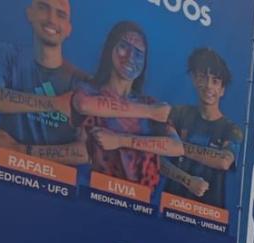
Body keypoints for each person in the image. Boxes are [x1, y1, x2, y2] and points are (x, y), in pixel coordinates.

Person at [0, 0, 88, 165]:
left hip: (57, 185)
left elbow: (86, 152)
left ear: (69, 29)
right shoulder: (8, 55)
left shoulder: (81, 81)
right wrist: (54, 103)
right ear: (29, 13)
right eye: (43, 8)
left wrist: (20, 150)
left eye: (60, 14)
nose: (52, 20)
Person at [74, 21, 182, 186]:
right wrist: (149, 112)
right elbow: (83, 105)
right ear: (111, 48)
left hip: (140, 203)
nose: (131, 57)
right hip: (93, 195)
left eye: (139, 53)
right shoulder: (89, 90)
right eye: (124, 47)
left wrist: (120, 140)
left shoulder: (151, 103)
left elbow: (176, 147)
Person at [162, 47, 241, 207]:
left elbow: (224, 161)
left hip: (210, 219)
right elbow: (157, 158)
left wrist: (176, 146)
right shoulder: (178, 113)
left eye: (215, 81)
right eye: (202, 77)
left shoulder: (232, 129)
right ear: (193, 79)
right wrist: (188, 181)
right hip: (170, 208)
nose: (208, 86)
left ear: (222, 90)